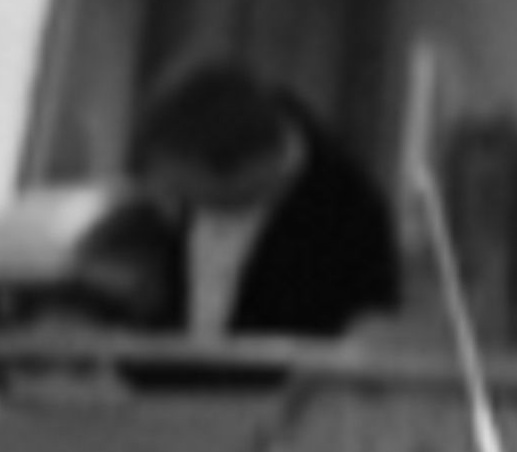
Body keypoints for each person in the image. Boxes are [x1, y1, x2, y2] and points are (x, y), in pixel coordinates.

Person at [117, 61, 402, 340]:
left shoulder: (351, 217)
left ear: (249, 172)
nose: (174, 202)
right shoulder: (182, 186)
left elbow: (363, 333)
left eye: (190, 193)